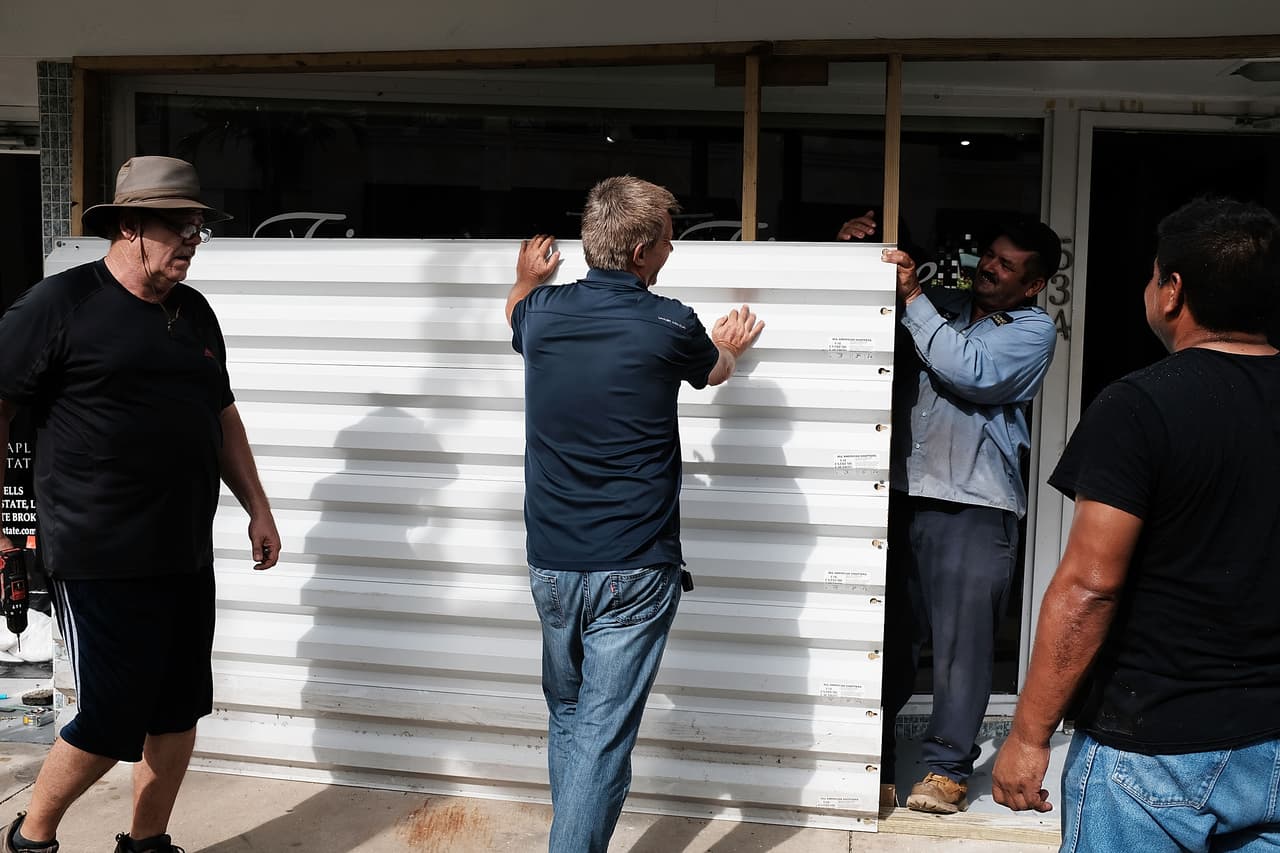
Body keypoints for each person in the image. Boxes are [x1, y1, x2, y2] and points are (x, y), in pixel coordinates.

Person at [0, 156, 281, 853]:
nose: (191, 239)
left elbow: (223, 417)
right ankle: (32, 836)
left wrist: (258, 507)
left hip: (183, 545)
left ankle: (146, 840)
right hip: (96, 549)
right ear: (129, 227)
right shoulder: (56, 305)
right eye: (177, 226)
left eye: (197, 228)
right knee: (112, 716)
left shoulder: (193, 313)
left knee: (180, 706)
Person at [992, 196, 1280, 850]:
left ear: (1173, 291)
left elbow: (1089, 588)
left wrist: (1030, 734)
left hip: (1153, 750)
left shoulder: (1140, 406)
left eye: (1154, 275)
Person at [506, 176, 764, 853]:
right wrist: (728, 343)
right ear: (645, 250)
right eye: (672, 240)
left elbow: (516, 310)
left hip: (552, 565)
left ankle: (576, 834)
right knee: (599, 734)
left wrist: (524, 277)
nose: (675, 250)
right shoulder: (671, 323)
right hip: (632, 570)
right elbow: (714, 372)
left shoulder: (541, 315)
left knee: (571, 717)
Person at [839, 209, 1061, 813]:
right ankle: (873, 763)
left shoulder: (1032, 331)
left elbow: (970, 371)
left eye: (1007, 265)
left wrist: (913, 295)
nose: (989, 268)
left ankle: (945, 771)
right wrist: (858, 251)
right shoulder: (942, 304)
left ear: (1033, 283)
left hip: (974, 505)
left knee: (962, 649)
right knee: (883, 640)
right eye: (990, 256)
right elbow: (875, 311)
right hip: (902, 495)